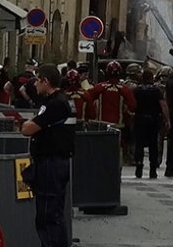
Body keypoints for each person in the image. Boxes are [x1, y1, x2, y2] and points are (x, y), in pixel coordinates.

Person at [20, 64, 76, 247]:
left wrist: (28, 123)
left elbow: (27, 129)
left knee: (47, 215)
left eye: (38, 80)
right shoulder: (58, 101)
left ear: (46, 81)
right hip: (53, 162)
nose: (35, 83)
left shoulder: (55, 104)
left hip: (51, 163)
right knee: (54, 215)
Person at [83, 61, 136, 163]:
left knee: (101, 149)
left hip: (101, 126)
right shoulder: (124, 89)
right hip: (118, 126)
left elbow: (87, 98)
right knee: (118, 150)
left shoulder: (100, 87)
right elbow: (133, 106)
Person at [132, 69, 170, 179]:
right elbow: (163, 105)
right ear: (151, 78)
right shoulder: (156, 90)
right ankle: (153, 170)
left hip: (139, 119)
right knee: (153, 145)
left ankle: (139, 166)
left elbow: (132, 104)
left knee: (139, 144)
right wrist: (167, 119)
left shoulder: (137, 90)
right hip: (153, 121)